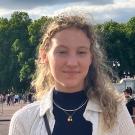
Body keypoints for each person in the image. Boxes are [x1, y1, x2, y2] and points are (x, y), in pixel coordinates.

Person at [9, 9, 135, 135]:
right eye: (62, 52)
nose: (72, 62)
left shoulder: (117, 113)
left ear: (91, 57)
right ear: (44, 56)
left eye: (81, 52)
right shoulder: (23, 121)